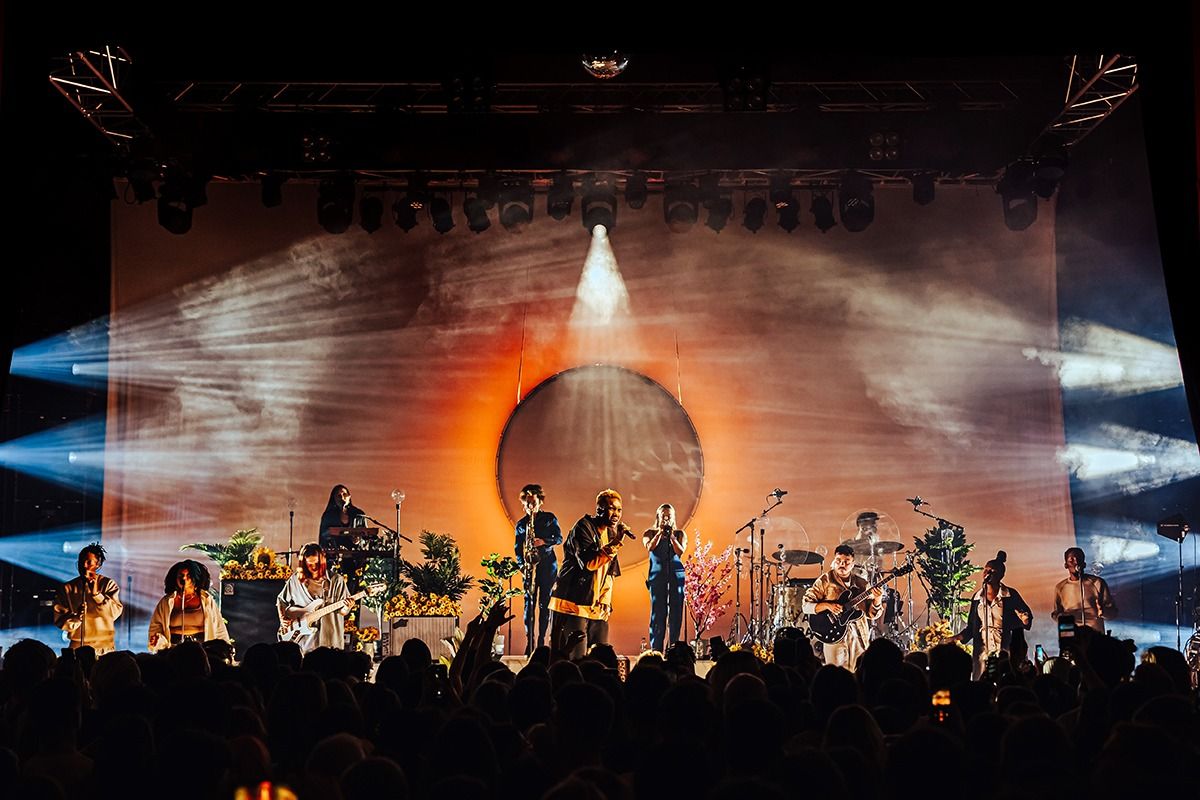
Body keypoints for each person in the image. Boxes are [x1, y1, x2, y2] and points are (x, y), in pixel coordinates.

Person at [548, 489, 631, 659]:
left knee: (600, 658)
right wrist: (616, 543)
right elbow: (589, 563)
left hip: (596, 606)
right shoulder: (583, 527)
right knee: (575, 658)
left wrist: (605, 600)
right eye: (611, 508)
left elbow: (610, 572)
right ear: (599, 509)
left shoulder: (610, 533)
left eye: (619, 510)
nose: (616, 514)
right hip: (573, 604)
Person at [802, 544, 883, 669]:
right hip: (834, 634)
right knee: (836, 674)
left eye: (846, 562)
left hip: (859, 636)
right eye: (838, 560)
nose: (842, 564)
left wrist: (877, 599)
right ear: (834, 561)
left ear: (852, 564)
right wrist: (827, 606)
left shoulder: (862, 584)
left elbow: (872, 614)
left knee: (858, 671)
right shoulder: (825, 581)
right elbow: (806, 606)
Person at [954, 550, 1032, 679]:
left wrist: (1024, 620)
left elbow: (1025, 619)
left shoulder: (1010, 595)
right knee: (981, 684)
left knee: (1006, 680)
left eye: (992, 571)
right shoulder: (977, 598)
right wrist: (956, 638)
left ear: (1001, 575)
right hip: (982, 654)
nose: (987, 573)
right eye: (986, 570)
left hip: (1005, 652)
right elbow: (972, 628)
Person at [514, 484, 563, 655]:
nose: (530, 506)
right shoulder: (521, 524)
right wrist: (522, 565)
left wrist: (544, 542)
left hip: (547, 566)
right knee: (529, 604)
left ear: (540, 502)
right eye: (527, 503)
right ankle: (530, 641)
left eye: (533, 503)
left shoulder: (549, 518)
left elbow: (559, 538)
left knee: (545, 604)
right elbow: (517, 548)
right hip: (529, 567)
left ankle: (542, 642)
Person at [277, 542, 351, 652]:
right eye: (309, 564)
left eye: (316, 563)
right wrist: (282, 617)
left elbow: (343, 612)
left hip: (330, 642)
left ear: (322, 561)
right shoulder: (295, 580)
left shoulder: (336, 580)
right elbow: (281, 600)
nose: (314, 567)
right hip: (304, 643)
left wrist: (347, 607)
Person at [53, 543, 123, 654]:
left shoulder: (108, 584)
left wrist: (97, 595)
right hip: (77, 647)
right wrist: (77, 617)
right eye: (82, 561)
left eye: (89, 562)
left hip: (103, 649)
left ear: (98, 565)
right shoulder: (67, 588)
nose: (84, 565)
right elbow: (59, 619)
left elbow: (114, 613)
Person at [148, 559, 230, 652]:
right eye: (181, 575)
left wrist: (225, 650)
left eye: (188, 576)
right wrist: (157, 640)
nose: (184, 578)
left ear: (195, 578)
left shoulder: (206, 600)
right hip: (173, 652)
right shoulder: (166, 602)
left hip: (201, 652)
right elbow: (155, 627)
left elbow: (219, 628)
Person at [644, 503, 687, 652]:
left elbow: (680, 551)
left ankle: (673, 648)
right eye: (664, 516)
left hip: (676, 575)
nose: (667, 519)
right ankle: (656, 649)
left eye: (669, 516)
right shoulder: (649, 533)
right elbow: (650, 547)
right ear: (658, 517)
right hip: (657, 576)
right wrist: (660, 533)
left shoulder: (680, 534)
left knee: (676, 612)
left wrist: (672, 536)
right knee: (658, 612)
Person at [1052, 547, 1117, 633]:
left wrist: (1103, 611)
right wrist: (1062, 617)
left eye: (1078, 559)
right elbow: (1056, 613)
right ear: (1066, 565)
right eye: (1071, 560)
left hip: (1095, 636)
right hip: (1073, 636)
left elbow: (1113, 613)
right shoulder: (1060, 587)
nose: (1076, 562)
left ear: (1084, 564)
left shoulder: (1097, 583)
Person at [319, 484, 367, 550]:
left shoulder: (359, 514)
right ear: (334, 499)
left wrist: (359, 540)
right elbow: (323, 537)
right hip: (335, 553)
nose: (342, 498)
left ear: (349, 497)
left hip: (356, 553)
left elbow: (366, 537)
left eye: (344, 494)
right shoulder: (328, 516)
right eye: (339, 496)